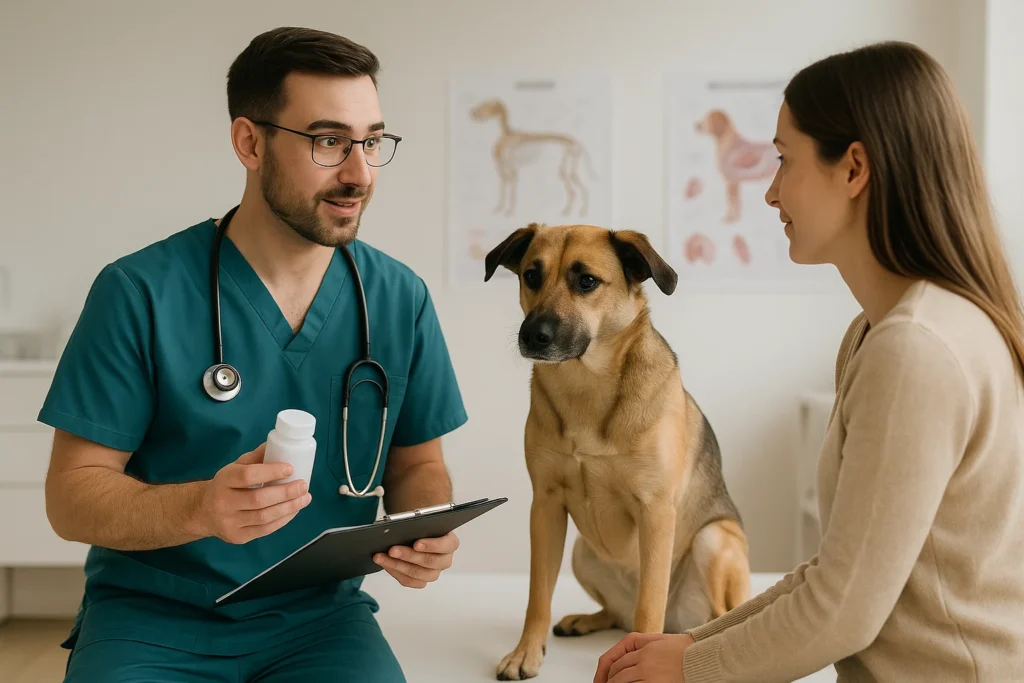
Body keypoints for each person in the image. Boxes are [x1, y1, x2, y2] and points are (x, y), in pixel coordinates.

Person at [38, 26, 468, 683]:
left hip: (320, 622)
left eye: (372, 142)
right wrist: (201, 509)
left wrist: (421, 526)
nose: (359, 173)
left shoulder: (397, 297)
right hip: (152, 619)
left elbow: (420, 463)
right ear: (249, 141)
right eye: (328, 141)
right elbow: (71, 497)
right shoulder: (139, 291)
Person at [594, 40, 1024, 683]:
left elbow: (843, 610)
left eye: (783, 160)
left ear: (854, 169)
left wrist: (691, 667)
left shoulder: (916, 349)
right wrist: (688, 646)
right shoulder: (878, 332)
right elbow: (836, 578)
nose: (769, 193)